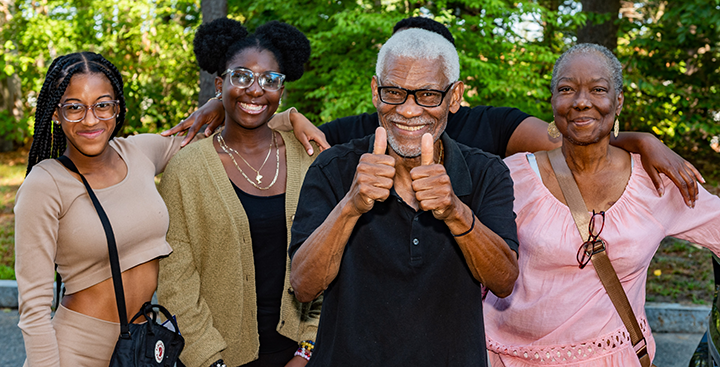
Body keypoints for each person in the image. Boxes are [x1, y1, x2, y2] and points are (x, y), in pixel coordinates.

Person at [165, 17, 704, 209]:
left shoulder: (493, 126)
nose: (409, 102)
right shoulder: (358, 133)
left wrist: (641, 140)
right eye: (396, 83)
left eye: (427, 87)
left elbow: (575, 135)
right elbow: (279, 134)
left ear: (452, 89)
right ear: (380, 87)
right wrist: (226, 100)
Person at [288, 28, 518, 366]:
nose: (408, 111)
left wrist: (455, 211)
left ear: (454, 97)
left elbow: (503, 281)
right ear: (374, 91)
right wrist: (350, 206)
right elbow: (304, 286)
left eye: (427, 95)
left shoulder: (487, 172)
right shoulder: (332, 168)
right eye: (394, 92)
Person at [483, 43, 720, 366]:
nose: (581, 102)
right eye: (567, 89)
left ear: (618, 100)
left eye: (597, 89)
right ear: (552, 100)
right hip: (505, 358)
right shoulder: (512, 176)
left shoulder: (656, 183)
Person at [156, 18, 321, 367]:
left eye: (270, 80)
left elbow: (330, 262)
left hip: (301, 355)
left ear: (282, 89)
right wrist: (210, 362)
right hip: (217, 357)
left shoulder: (309, 159)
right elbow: (176, 284)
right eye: (241, 76)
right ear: (220, 84)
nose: (255, 89)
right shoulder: (187, 170)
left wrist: (307, 350)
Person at [14, 52, 186, 366]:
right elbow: (34, 309)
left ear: (117, 108)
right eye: (74, 107)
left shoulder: (140, 152)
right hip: (76, 352)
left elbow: (210, 139)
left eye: (102, 105)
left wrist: (284, 118)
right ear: (56, 113)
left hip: (140, 349)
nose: (90, 119)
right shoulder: (45, 184)